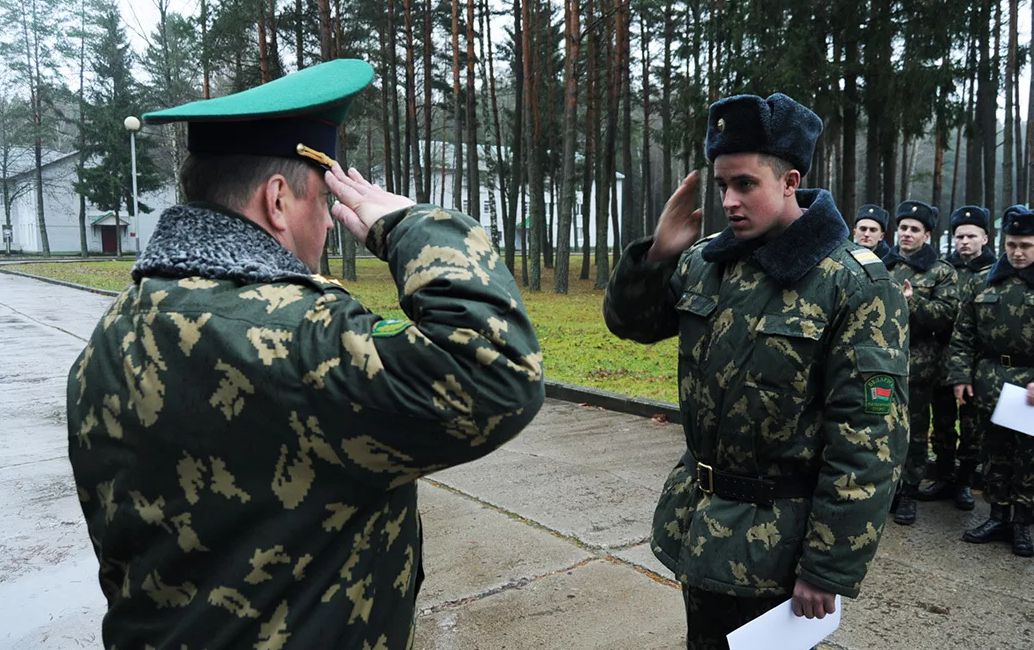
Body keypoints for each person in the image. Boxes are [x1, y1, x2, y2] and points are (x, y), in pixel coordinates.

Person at [65, 59, 545, 648]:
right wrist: (410, 224)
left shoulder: (111, 335)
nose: (329, 226)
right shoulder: (300, 337)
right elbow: (497, 370)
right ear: (277, 202)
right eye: (323, 203)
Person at [603, 93, 908, 647]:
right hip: (700, 521)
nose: (729, 200)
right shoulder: (708, 263)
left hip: (779, 543)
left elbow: (869, 436)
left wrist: (829, 564)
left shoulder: (853, 282)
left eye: (745, 184)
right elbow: (632, 324)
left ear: (791, 181)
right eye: (722, 185)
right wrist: (657, 257)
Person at [946, 205, 1034, 557]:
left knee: (1029, 457)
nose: (1017, 252)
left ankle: (1023, 521)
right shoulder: (986, 281)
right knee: (994, 451)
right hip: (991, 379)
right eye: (1012, 244)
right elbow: (963, 333)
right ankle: (997, 515)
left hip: (1029, 385)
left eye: (1026, 245)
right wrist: (960, 375)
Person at [882, 200, 958, 525]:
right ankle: (888, 487)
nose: (907, 234)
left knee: (913, 431)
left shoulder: (941, 271)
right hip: (883, 362)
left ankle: (909, 491)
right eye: (903, 228)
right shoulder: (882, 264)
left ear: (927, 234)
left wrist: (913, 303)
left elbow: (946, 316)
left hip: (919, 367)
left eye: (914, 229)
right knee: (883, 428)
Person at [920, 206, 995, 510]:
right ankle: (944, 475)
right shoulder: (942, 269)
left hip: (976, 361)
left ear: (985, 238)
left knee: (972, 423)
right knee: (943, 420)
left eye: (971, 236)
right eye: (959, 236)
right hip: (941, 356)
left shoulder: (993, 274)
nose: (964, 242)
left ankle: (964, 480)